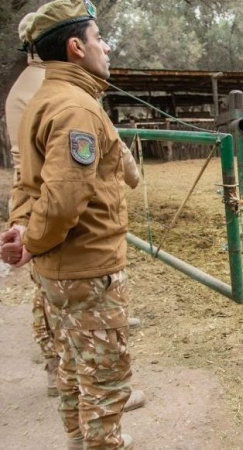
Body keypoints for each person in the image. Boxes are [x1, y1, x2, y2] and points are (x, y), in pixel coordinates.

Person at [1, 1, 137, 447]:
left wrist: (21, 229)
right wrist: (34, 240)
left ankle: (79, 441)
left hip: (59, 272)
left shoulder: (43, 98)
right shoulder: (77, 108)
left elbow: (27, 183)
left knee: (72, 368)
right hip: (88, 269)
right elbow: (62, 202)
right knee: (105, 382)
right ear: (77, 47)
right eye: (99, 38)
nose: (107, 46)